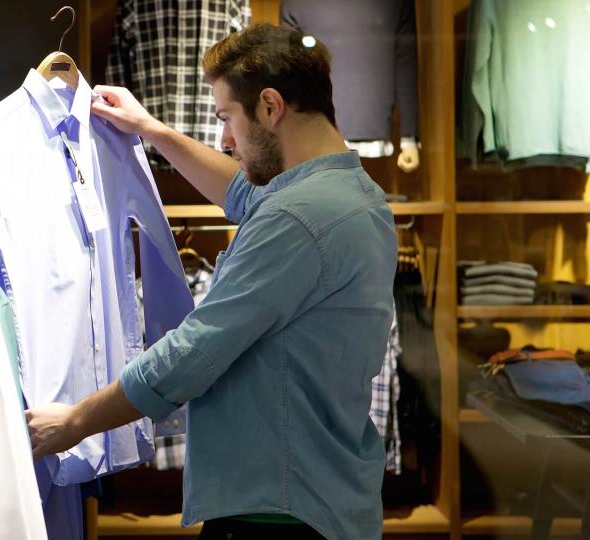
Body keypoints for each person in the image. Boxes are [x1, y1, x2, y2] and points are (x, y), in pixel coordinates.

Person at [25, 23, 397, 540]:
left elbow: (194, 353)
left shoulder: (297, 218)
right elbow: (241, 191)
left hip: (279, 516)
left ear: (270, 106)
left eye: (226, 118)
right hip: (316, 497)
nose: (224, 139)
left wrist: (75, 423)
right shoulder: (349, 193)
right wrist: (151, 130)